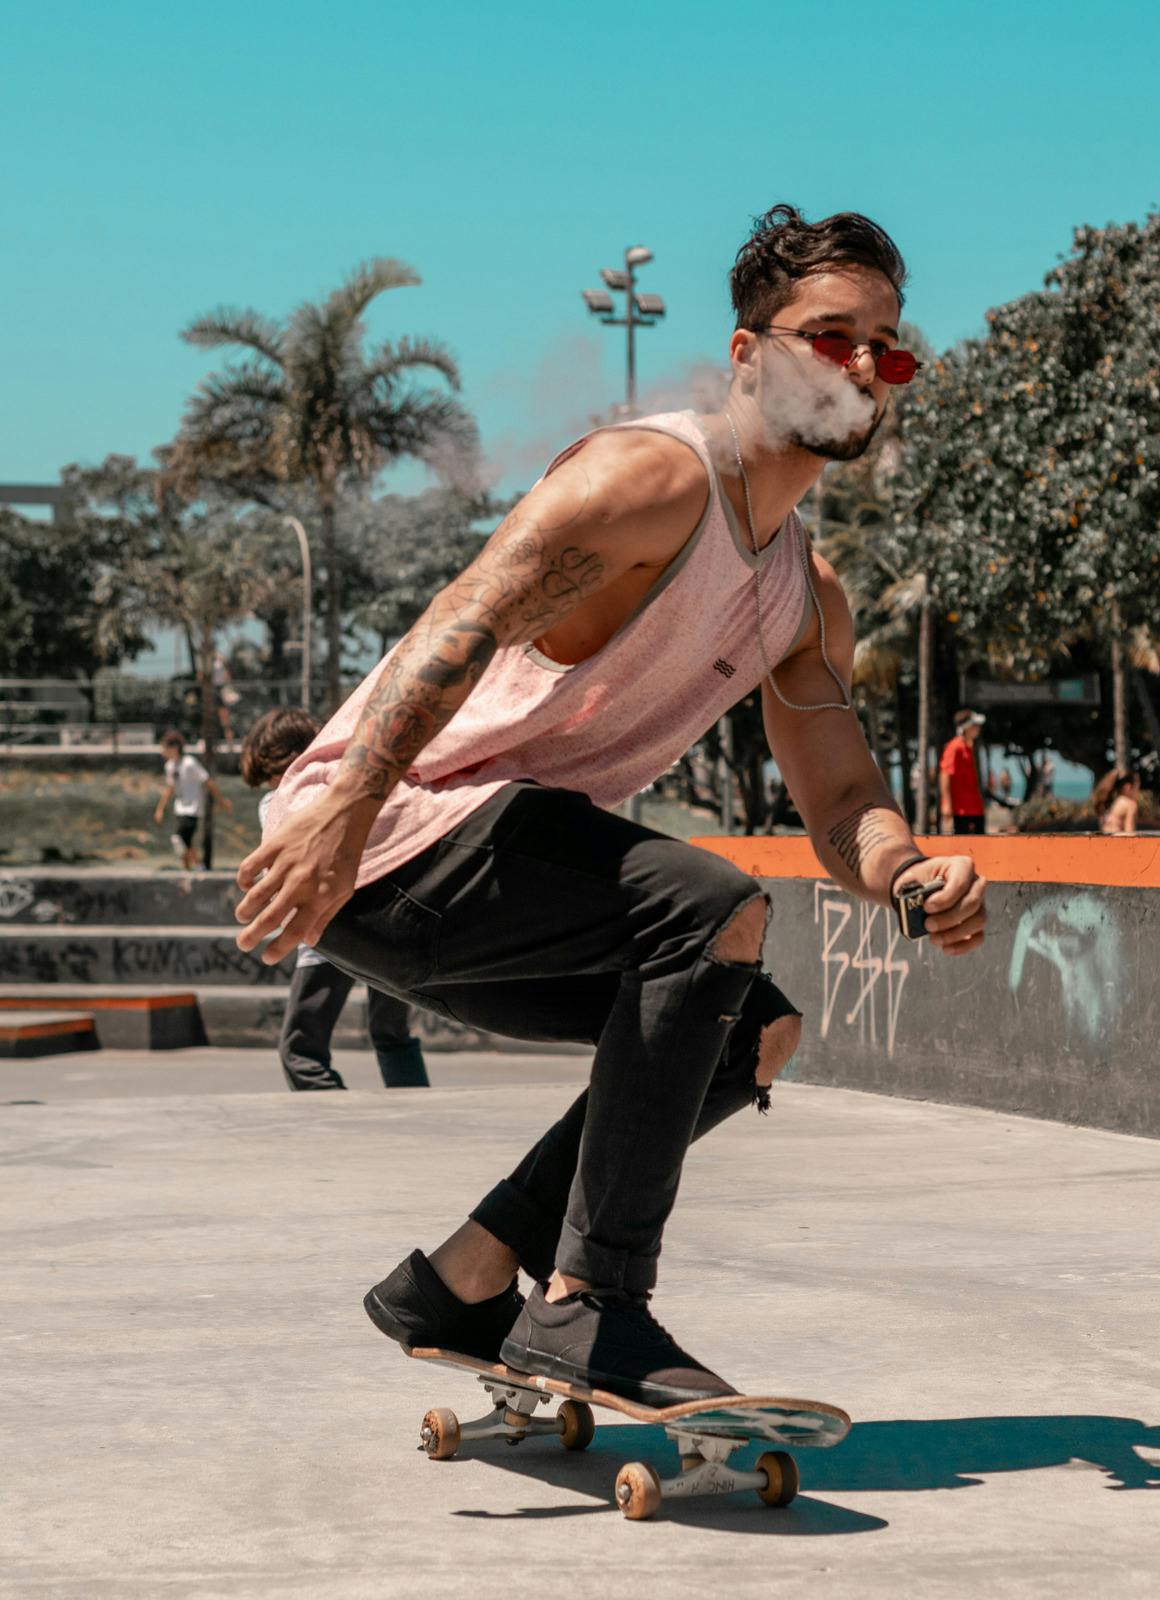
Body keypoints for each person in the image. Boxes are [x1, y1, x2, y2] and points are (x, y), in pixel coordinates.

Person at [234, 204, 988, 1407]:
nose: (860, 366)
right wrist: (337, 812)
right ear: (746, 354)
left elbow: (841, 794)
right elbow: (462, 615)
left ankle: (467, 1280)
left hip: (488, 875)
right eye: (828, 335)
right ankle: (591, 1307)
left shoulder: (805, 596)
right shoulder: (647, 479)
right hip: (389, 832)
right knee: (705, 909)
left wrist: (905, 872)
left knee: (750, 1028)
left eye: (884, 348)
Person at [240, 707, 430, 1092]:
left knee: (300, 1050)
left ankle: (336, 1125)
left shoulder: (278, 803)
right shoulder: (355, 787)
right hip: (388, 922)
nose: (273, 786)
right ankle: (417, 1112)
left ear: (281, 764)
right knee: (389, 1031)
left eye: (271, 776)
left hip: (328, 937)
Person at [154, 731, 231, 870]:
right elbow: (169, 788)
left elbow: (207, 781)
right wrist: (160, 808)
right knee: (185, 842)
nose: (162, 751)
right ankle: (191, 869)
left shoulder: (189, 763)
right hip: (180, 807)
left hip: (193, 808)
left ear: (175, 747)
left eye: (164, 747)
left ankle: (197, 866)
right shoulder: (170, 766)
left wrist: (221, 800)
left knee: (179, 839)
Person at [939, 709, 988, 835]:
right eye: (975, 725)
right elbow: (945, 774)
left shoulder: (968, 747)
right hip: (961, 810)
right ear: (966, 727)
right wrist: (947, 804)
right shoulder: (955, 747)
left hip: (974, 808)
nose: (978, 728)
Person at [1092, 769, 1140, 834]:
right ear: (1128, 786)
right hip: (1119, 841)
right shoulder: (1130, 804)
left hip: (1104, 840)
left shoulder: (1108, 802)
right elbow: (1129, 832)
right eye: (1136, 786)